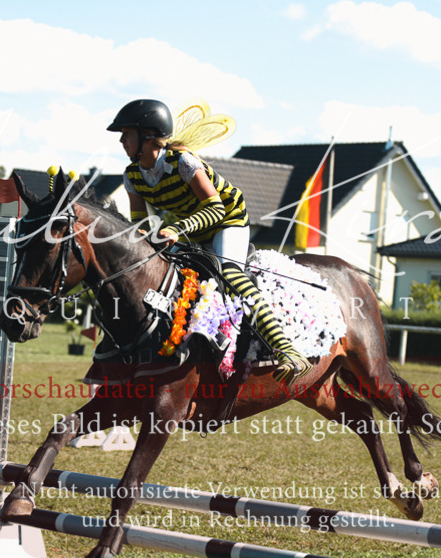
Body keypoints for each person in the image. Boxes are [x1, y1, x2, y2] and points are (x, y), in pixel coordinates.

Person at [108, 99, 310, 383]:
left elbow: (216, 209)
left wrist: (177, 229)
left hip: (228, 221)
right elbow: (142, 225)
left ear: (149, 136)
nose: (121, 140)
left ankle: (287, 350)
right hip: (192, 230)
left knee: (228, 273)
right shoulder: (132, 177)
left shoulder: (184, 162)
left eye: (127, 133)